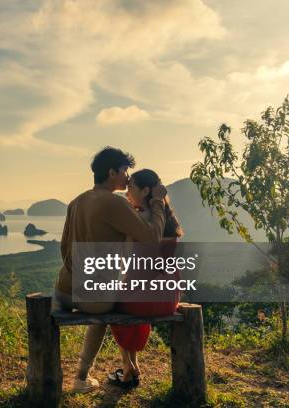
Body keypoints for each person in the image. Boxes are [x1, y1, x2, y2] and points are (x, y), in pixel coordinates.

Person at [54, 147, 167, 393]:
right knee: (115, 303)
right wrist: (158, 203)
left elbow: (64, 248)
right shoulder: (114, 203)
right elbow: (151, 237)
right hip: (93, 297)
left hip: (63, 289)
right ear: (112, 172)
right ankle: (84, 376)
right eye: (125, 170)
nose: (128, 177)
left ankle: (122, 369)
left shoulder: (76, 201)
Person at [107, 169, 184, 388]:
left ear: (146, 190)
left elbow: (136, 272)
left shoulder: (140, 219)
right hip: (169, 296)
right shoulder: (168, 220)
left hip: (147, 297)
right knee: (132, 299)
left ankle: (129, 365)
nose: (126, 192)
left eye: (130, 187)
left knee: (110, 304)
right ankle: (131, 366)